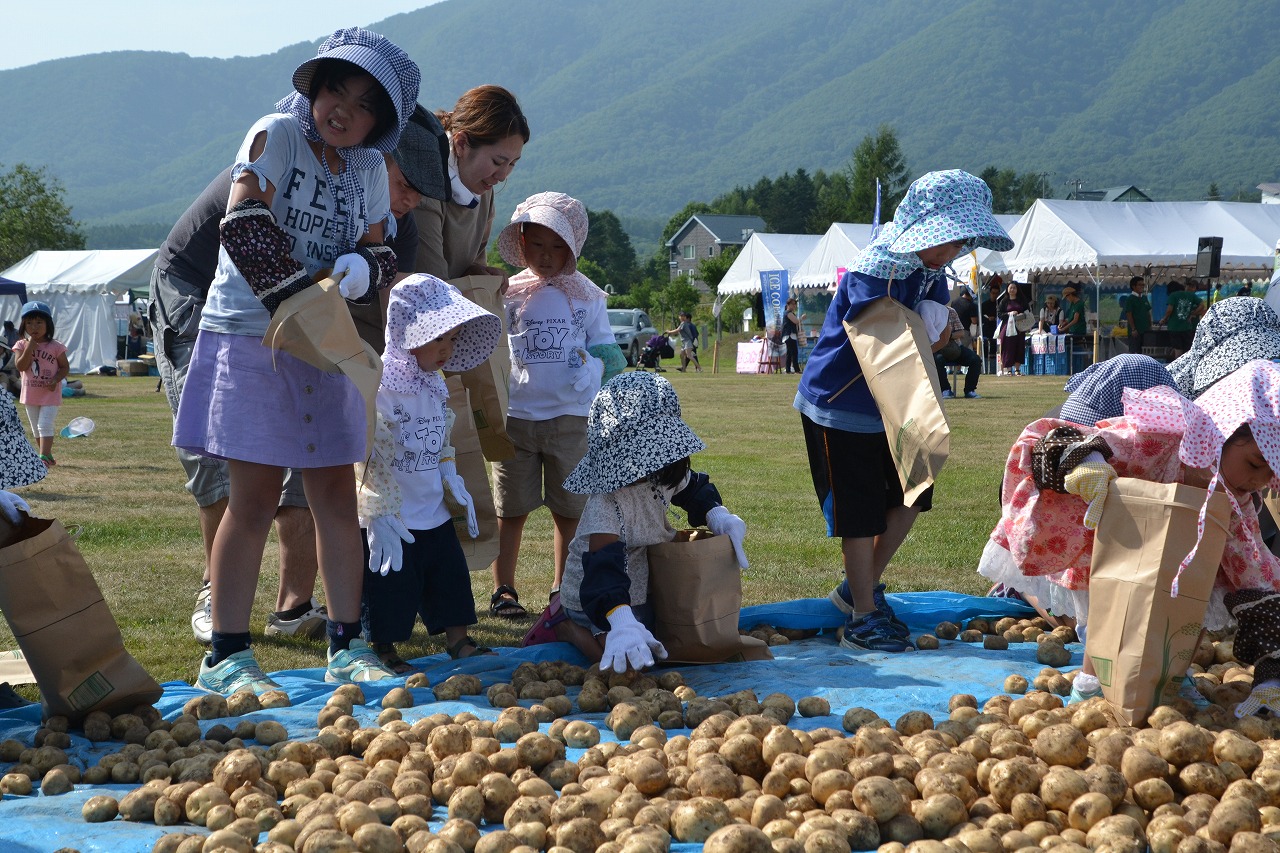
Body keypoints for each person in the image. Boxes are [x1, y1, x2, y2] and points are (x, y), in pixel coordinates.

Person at [173, 27, 420, 693]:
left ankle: (347, 642)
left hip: (324, 344)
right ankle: (226, 651)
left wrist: (363, 270)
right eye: (337, 86)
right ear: (314, 85)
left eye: (365, 102)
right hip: (254, 336)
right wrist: (304, 298)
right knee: (252, 499)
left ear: (382, 123)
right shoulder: (275, 135)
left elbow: (381, 249)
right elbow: (243, 223)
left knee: (337, 493)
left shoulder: (369, 169)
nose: (343, 106)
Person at [795, 169, 1013, 653]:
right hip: (841, 405)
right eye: (948, 240)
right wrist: (928, 328)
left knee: (916, 488)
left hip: (896, 403)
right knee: (859, 510)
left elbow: (926, 334)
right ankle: (864, 615)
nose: (952, 251)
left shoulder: (932, 273)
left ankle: (859, 589)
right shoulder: (873, 268)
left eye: (959, 243)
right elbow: (883, 331)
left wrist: (942, 323)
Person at [980, 359, 1280, 703]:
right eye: (1255, 464)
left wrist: (1271, 672)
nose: (1257, 482)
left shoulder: (1237, 500)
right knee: (1108, 616)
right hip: (1122, 548)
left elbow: (1255, 571)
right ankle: (1092, 683)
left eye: (1270, 475)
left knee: (1191, 617)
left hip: (1185, 573)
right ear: (1223, 432)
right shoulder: (1162, 439)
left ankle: (1170, 680)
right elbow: (1081, 438)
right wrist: (1089, 463)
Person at [356, 275, 502, 671]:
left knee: (450, 576)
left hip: (433, 509)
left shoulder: (434, 383)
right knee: (389, 583)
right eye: (439, 339)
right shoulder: (381, 382)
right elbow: (369, 452)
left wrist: (450, 476)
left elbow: (440, 435)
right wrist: (377, 511)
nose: (447, 349)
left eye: (453, 339)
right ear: (406, 333)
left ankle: (458, 640)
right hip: (395, 514)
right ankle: (383, 648)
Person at [555, 372, 748, 671]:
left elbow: (693, 489)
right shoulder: (607, 502)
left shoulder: (662, 472)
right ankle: (571, 630)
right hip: (595, 595)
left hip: (642, 585)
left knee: (667, 644)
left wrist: (718, 516)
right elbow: (603, 569)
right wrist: (620, 622)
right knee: (630, 664)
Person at [488, 191, 618, 619]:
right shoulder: (506, 294)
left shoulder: (588, 297)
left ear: (574, 247)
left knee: (570, 510)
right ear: (521, 243)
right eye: (538, 245)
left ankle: (562, 588)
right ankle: (504, 588)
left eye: (558, 247)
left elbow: (607, 349)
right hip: (516, 418)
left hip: (571, 418)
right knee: (510, 509)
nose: (546, 256)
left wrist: (595, 368)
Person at [412, 85, 530, 284]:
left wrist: (481, 273)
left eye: (512, 164)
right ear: (461, 143)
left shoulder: (483, 188)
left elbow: (474, 261)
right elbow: (432, 284)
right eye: (497, 162)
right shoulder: (425, 185)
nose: (502, 175)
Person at [12, 301, 69, 467]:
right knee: (36, 428)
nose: (34, 327)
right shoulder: (21, 345)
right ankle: (48, 455)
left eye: (39, 322)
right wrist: (30, 347)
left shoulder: (56, 346)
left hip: (50, 393)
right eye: (29, 323)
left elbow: (65, 367)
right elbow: (21, 366)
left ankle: (43, 457)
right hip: (30, 394)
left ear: (48, 324)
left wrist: (56, 379)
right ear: (23, 325)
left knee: (45, 425)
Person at [934, 305, 983, 399]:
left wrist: (948, 336)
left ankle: (970, 390)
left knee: (975, 359)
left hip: (954, 346)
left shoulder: (951, 311)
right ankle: (945, 390)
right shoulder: (927, 310)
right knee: (937, 360)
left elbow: (961, 332)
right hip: (937, 347)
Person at [1159, 279, 1204, 358]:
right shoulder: (1191, 295)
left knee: (1178, 349)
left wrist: (1164, 319)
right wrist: (1193, 313)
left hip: (1175, 327)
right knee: (1188, 349)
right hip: (1187, 327)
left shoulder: (1173, 295)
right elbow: (1202, 305)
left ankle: (1178, 367)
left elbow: (1169, 310)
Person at [996, 280, 1028, 376]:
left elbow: (1027, 311)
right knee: (1008, 347)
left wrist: (1022, 314)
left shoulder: (1022, 300)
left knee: (1019, 346)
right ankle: (1009, 369)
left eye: (1014, 288)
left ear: (1017, 289)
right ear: (1007, 289)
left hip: (1019, 327)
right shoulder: (1004, 301)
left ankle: (1017, 369)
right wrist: (1009, 313)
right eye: (1011, 287)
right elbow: (1000, 314)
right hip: (1007, 327)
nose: (1012, 289)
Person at [1123, 275, 1151, 355]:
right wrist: (1133, 329)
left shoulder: (1144, 298)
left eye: (1143, 285)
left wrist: (1150, 325)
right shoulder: (1130, 299)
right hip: (1136, 331)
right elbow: (1129, 314)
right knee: (1134, 353)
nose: (1142, 286)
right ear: (1133, 286)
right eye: (1140, 285)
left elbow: (1148, 312)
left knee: (1144, 353)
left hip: (1145, 330)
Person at [781, 297, 802, 374]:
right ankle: (794, 369)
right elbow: (796, 321)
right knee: (792, 352)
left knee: (791, 352)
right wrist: (801, 318)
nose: (794, 306)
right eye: (793, 304)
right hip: (789, 335)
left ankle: (789, 369)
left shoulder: (791, 313)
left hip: (792, 335)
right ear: (788, 305)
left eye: (795, 304)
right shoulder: (788, 313)